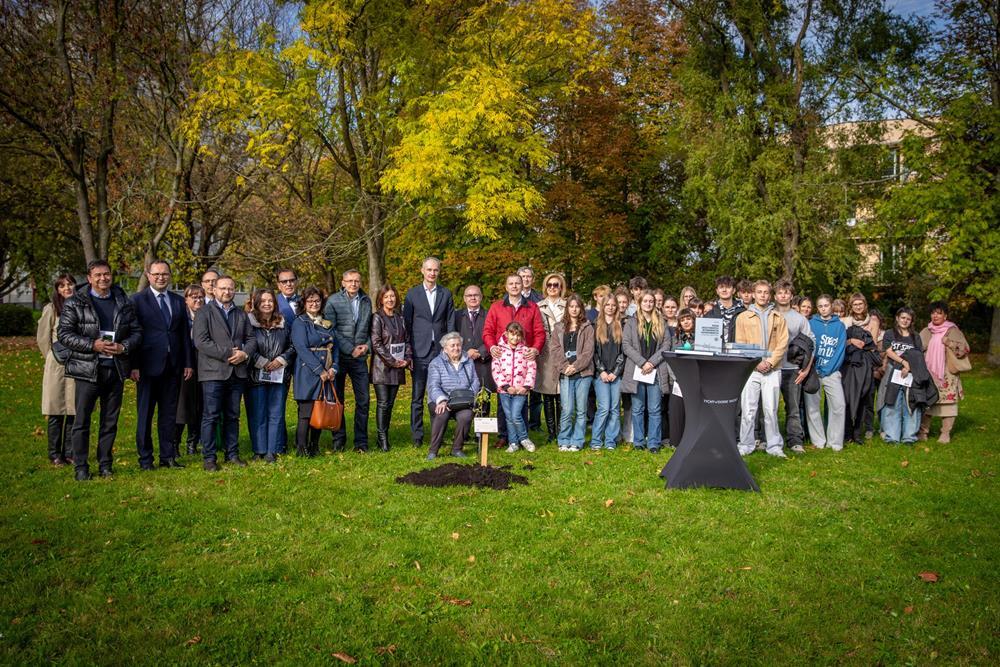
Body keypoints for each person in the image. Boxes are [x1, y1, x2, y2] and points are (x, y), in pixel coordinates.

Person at [57, 260, 142, 480]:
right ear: (89, 278)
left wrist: (123, 347)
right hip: (87, 370)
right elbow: (64, 334)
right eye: (98, 275)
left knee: (110, 421)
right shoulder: (76, 302)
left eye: (106, 274)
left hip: (115, 368)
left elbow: (136, 332)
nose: (103, 278)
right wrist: (92, 345)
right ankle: (81, 467)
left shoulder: (123, 300)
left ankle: (105, 464)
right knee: (82, 421)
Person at [130, 259, 193, 470]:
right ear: (148, 276)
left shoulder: (177, 301)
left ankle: (167, 456)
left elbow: (183, 334)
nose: (160, 277)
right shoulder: (138, 300)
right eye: (156, 274)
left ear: (170, 276)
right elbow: (133, 335)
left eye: (164, 274)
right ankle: (145, 459)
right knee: (145, 415)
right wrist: (134, 365)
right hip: (147, 368)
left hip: (173, 367)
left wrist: (187, 362)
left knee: (168, 415)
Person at [193, 275, 257, 471]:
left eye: (230, 288)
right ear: (214, 290)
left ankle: (232, 454)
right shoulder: (204, 312)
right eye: (222, 288)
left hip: (237, 373)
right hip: (213, 373)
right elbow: (201, 342)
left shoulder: (240, 314)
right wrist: (230, 353)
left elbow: (252, 338)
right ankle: (209, 458)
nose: (226, 292)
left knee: (232, 416)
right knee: (211, 416)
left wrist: (244, 354)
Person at [483, 274, 546, 444]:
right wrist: (492, 346)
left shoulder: (532, 307)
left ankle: (522, 436)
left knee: (522, 399)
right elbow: (488, 331)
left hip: (523, 359)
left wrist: (535, 349)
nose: (514, 286)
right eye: (511, 283)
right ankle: (504, 436)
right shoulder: (497, 307)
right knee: (504, 399)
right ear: (506, 287)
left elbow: (540, 332)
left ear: (522, 285)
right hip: (502, 359)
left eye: (517, 283)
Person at [734, 280, 789, 458]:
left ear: (770, 295)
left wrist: (771, 362)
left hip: (773, 370)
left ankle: (774, 446)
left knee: (770, 409)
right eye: (759, 292)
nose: (763, 295)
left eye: (766, 292)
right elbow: (740, 344)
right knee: (748, 409)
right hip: (752, 369)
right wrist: (756, 362)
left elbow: (782, 343)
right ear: (753, 294)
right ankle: (746, 444)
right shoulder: (743, 317)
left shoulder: (778, 317)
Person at [404, 257, 454, 447]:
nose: (432, 273)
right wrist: (409, 352)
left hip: (439, 352)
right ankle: (417, 436)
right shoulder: (413, 294)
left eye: (436, 270)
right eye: (429, 270)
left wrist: (449, 348)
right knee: (417, 396)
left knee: (438, 394)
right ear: (422, 271)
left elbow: (450, 322)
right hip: (419, 351)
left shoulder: (446, 294)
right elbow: (407, 324)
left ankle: (436, 434)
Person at [324, 269, 372, 452]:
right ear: (343, 283)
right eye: (350, 281)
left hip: (360, 358)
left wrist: (366, 346)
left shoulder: (366, 301)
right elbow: (331, 330)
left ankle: (361, 442)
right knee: (338, 400)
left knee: (364, 400)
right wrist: (349, 349)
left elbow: (369, 329)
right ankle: (339, 439)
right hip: (339, 358)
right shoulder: (333, 301)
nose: (353, 284)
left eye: (357, 281)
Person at [245, 289, 293, 462]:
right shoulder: (248, 322)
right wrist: (262, 361)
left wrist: (281, 359)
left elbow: (292, 346)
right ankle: (259, 450)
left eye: (270, 301)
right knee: (257, 413)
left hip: (279, 375)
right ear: (256, 303)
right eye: (263, 301)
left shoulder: (283, 322)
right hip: (255, 374)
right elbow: (246, 345)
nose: (267, 304)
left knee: (276, 413)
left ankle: (273, 450)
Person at [621, 290, 672, 452]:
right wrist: (643, 362)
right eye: (645, 301)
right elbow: (626, 345)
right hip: (637, 370)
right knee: (637, 408)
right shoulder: (631, 322)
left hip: (655, 370)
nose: (648, 304)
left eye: (651, 301)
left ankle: (654, 443)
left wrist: (652, 363)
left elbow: (666, 345)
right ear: (639, 303)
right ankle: (638, 442)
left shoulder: (661, 322)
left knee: (655, 409)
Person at [291, 287, 339, 456]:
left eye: (317, 301)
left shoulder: (326, 322)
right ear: (304, 303)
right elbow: (301, 348)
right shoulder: (299, 322)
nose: (314, 304)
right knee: (306, 412)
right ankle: (301, 448)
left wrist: (334, 368)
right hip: (307, 372)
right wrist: (320, 370)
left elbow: (336, 347)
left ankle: (314, 446)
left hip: (327, 371)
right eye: (310, 301)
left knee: (321, 407)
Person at [36, 274, 77, 466]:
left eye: (69, 284)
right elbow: (43, 337)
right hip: (57, 365)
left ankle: (70, 452)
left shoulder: (80, 306)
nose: (67, 288)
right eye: (62, 286)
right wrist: (51, 357)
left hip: (76, 363)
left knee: (73, 409)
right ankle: (54, 453)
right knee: (55, 410)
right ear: (57, 289)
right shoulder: (51, 309)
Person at [918, 301, 970, 443]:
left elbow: (964, 350)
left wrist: (949, 342)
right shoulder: (926, 331)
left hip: (947, 375)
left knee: (948, 405)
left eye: (939, 313)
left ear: (945, 315)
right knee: (926, 402)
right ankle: (923, 432)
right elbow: (916, 349)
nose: (935, 315)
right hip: (928, 373)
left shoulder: (953, 330)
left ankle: (945, 434)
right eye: (933, 312)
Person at [426, 332, 481, 460]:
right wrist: (443, 400)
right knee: (442, 413)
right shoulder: (436, 363)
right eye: (452, 346)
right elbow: (433, 386)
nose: (456, 348)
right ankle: (433, 450)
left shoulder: (468, 361)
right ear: (445, 348)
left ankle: (457, 449)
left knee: (466, 416)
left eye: (458, 345)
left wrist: (469, 396)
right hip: (441, 400)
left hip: (462, 400)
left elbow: (475, 382)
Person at [773, 280, 813, 454]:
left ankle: (795, 439)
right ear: (775, 295)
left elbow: (811, 344)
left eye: (786, 293)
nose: (783, 295)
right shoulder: (769, 314)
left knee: (793, 407)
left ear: (791, 296)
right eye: (780, 292)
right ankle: (770, 438)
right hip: (772, 368)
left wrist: (806, 369)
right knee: (769, 406)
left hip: (792, 369)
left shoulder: (799, 319)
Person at [371, 284, 412, 451]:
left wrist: (407, 359)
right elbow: (376, 343)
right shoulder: (377, 317)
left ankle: (384, 434)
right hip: (381, 367)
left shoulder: (400, 317)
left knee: (390, 404)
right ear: (381, 299)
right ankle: (382, 439)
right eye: (386, 296)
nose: (390, 299)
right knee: (383, 403)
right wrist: (392, 361)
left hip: (398, 367)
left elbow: (407, 340)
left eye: (392, 296)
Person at [804, 295, 847, 451]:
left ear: (831, 306)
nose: (823, 308)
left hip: (832, 372)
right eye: (820, 306)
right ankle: (819, 440)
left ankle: (834, 443)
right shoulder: (810, 324)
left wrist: (828, 369)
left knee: (839, 405)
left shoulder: (840, 326)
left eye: (826, 305)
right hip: (813, 371)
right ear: (817, 308)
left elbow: (840, 350)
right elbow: (808, 348)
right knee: (812, 406)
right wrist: (814, 368)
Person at [552, 295, 594, 452]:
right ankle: (564, 439)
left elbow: (588, 352)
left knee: (581, 410)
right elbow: (555, 350)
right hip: (565, 374)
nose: (574, 309)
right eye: (571, 306)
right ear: (567, 308)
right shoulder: (559, 328)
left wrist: (575, 367)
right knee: (567, 409)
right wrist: (564, 367)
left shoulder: (587, 327)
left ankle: (577, 440)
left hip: (583, 374)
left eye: (577, 306)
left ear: (581, 309)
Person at [878, 307, 925, 444]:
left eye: (908, 319)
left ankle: (909, 437)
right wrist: (905, 363)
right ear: (897, 318)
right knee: (892, 403)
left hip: (910, 374)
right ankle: (892, 437)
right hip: (894, 371)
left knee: (910, 403)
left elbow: (918, 355)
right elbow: (889, 352)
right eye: (903, 317)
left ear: (911, 321)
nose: (905, 321)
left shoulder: (915, 336)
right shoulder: (889, 334)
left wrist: (909, 367)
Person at [453, 285, 494, 439]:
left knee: (483, 397)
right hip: (462, 362)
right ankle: (464, 431)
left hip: (483, 362)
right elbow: (453, 336)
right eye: (469, 295)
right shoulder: (457, 316)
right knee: (465, 396)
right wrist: (465, 352)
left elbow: (493, 335)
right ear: (464, 298)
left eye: (476, 295)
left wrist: (481, 352)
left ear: (481, 297)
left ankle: (481, 433)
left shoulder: (489, 314)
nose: (473, 298)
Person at [841, 292, 880, 444]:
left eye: (860, 304)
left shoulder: (873, 322)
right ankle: (847, 432)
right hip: (849, 364)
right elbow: (840, 343)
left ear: (865, 305)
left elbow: (873, 345)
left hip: (865, 364)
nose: (858, 307)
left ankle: (858, 432)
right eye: (855, 304)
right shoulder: (844, 321)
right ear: (851, 306)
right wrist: (851, 341)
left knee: (863, 397)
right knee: (848, 398)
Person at [491, 322, 537, 453]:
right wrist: (505, 386)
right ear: (506, 334)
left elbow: (531, 369)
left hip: (520, 391)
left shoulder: (526, 351)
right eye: (512, 334)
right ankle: (513, 442)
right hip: (504, 391)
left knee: (516, 415)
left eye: (518, 335)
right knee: (509, 417)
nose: (515, 338)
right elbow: (496, 370)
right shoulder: (499, 351)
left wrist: (526, 386)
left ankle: (524, 438)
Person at [535, 273, 567, 443]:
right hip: (546, 352)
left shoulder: (567, 305)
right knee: (547, 394)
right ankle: (551, 432)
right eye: (550, 285)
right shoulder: (538, 306)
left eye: (556, 285)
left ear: (561, 287)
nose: (553, 288)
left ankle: (562, 430)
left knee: (562, 394)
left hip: (563, 350)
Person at [174, 284, 205, 455]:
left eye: (200, 296)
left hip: (204, 366)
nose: (197, 299)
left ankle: (192, 442)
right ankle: (175, 442)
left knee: (199, 406)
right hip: (184, 366)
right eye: (193, 296)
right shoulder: (180, 317)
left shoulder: (207, 315)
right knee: (182, 406)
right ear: (186, 300)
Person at [592, 295, 625, 449]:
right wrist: (602, 371)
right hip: (601, 374)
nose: (610, 307)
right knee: (604, 407)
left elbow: (623, 353)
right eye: (607, 305)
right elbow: (593, 352)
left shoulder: (621, 326)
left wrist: (615, 372)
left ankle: (610, 440)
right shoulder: (596, 326)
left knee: (614, 408)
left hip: (616, 374)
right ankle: (596, 440)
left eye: (613, 305)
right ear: (603, 306)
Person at [667, 308, 697, 446]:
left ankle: (692, 440)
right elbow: (669, 359)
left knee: (693, 412)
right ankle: (676, 442)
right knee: (676, 410)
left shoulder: (701, 338)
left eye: (688, 319)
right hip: (678, 380)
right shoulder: (675, 339)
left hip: (696, 380)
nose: (686, 322)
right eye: (683, 320)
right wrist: (677, 378)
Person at [705, 276, 744, 343]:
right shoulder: (709, 315)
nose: (724, 290)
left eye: (728, 287)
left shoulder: (743, 312)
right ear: (717, 291)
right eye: (721, 287)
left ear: (734, 290)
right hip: (716, 352)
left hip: (737, 351)